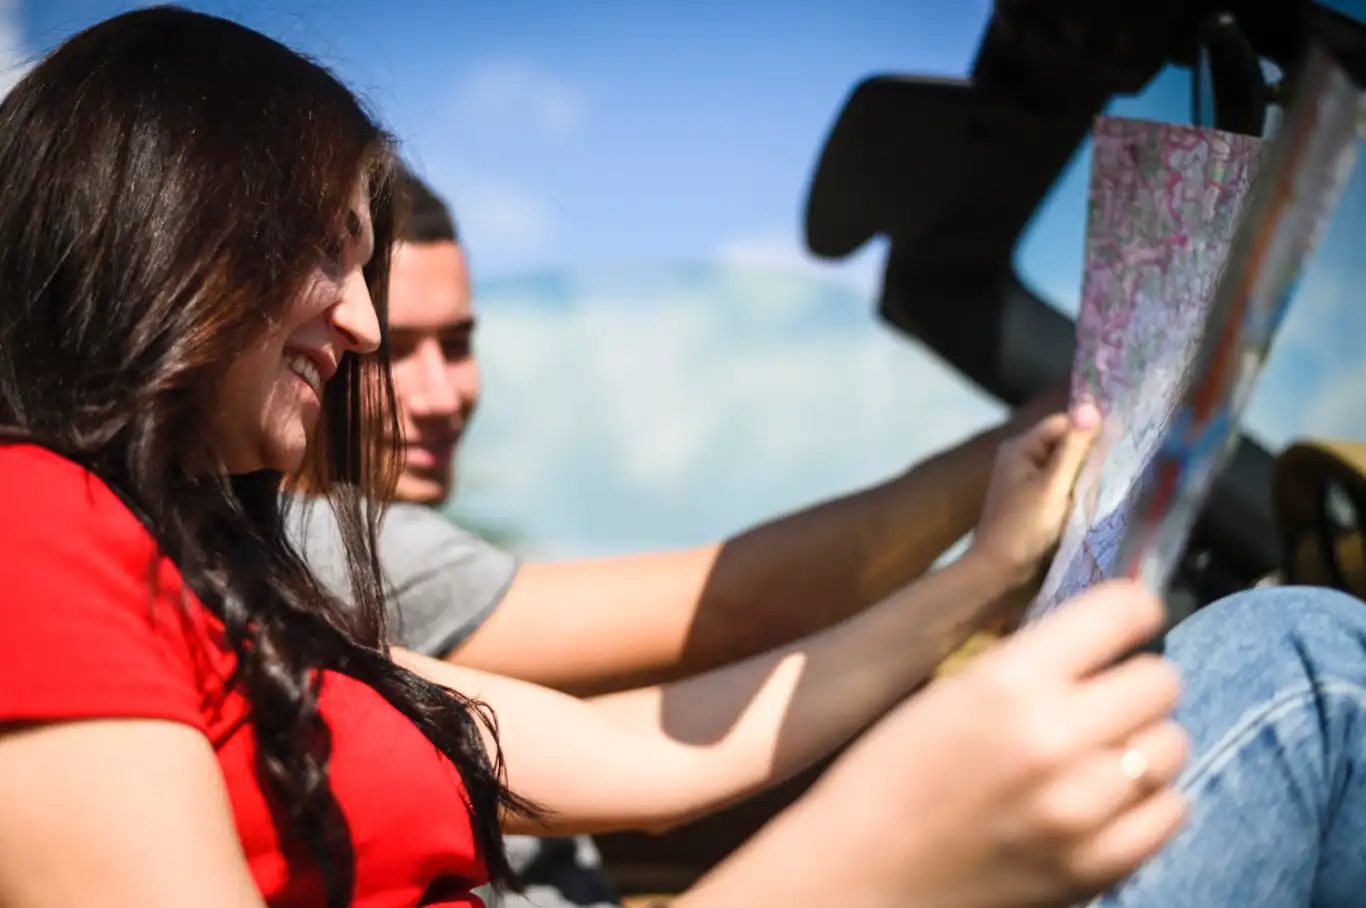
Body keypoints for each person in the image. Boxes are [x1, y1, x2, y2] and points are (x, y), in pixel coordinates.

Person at [0, 8, 1190, 908]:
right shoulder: (33, 523)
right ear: (170, 233)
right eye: (322, 256)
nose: (360, 330)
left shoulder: (237, 584)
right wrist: (876, 854)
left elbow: (640, 746)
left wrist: (984, 570)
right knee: (1304, 673)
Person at [284, 168, 1078, 906]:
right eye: (391, 348)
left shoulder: (334, 564)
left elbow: (636, 753)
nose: (441, 394)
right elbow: (739, 608)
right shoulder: (312, 550)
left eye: (458, 344)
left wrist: (988, 574)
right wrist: (1038, 441)